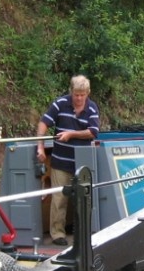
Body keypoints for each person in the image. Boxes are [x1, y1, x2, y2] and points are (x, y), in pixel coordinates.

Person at [36, 75, 100, 245]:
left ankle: (84, 232)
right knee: (59, 198)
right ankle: (57, 234)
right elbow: (43, 123)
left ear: (88, 93)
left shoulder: (92, 108)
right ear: (71, 91)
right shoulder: (60, 104)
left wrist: (71, 134)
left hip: (83, 163)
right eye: (76, 94)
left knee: (83, 198)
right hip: (61, 160)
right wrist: (40, 146)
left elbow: (93, 132)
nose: (79, 98)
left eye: (82, 94)